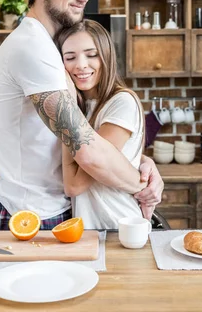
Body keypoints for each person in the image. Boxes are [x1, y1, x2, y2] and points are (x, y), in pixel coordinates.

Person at [0, 0, 163, 231]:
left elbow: (86, 136)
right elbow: (88, 151)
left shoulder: (49, 45)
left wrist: (142, 160)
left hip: (55, 208)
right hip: (34, 213)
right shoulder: (33, 47)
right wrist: (140, 185)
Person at [56, 19, 146, 229]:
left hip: (118, 226)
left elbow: (74, 184)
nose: (81, 65)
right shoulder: (84, 106)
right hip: (89, 230)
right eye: (70, 57)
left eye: (91, 54)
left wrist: (67, 106)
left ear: (106, 55)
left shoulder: (122, 103)